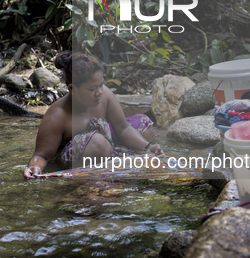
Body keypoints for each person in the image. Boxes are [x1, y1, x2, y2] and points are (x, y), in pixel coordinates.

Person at [23, 51, 164, 179]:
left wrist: (147, 147)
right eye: (92, 89)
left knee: (144, 122)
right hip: (82, 156)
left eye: (101, 85)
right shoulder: (57, 115)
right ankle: (101, 177)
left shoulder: (104, 95)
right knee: (97, 142)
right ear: (72, 88)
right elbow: (41, 155)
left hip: (106, 147)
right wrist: (35, 167)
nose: (100, 92)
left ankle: (125, 162)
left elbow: (123, 127)